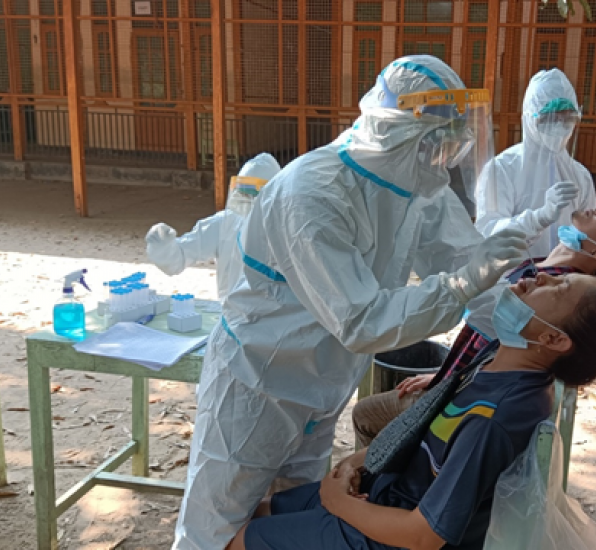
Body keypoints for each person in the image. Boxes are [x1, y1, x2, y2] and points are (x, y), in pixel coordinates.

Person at [173, 55, 531, 549]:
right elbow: (363, 320)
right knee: (215, 528)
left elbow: (463, 260)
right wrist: (463, 283)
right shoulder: (311, 193)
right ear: (396, 131)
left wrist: (523, 322)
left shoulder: (418, 184)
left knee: (289, 523)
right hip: (258, 383)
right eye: (435, 142)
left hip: (324, 385)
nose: (445, 158)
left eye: (452, 143)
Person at [226, 273, 596, 550]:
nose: (540, 277)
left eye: (557, 289)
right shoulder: (500, 360)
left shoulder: (494, 418)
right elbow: (421, 433)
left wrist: (338, 504)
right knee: (258, 509)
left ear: (554, 340)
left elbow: (425, 535)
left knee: (237, 540)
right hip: (384, 490)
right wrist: (358, 461)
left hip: (391, 535)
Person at [353, 205, 596, 447]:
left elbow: (507, 353)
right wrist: (445, 376)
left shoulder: (560, 300)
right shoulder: (547, 271)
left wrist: (449, 388)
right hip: (457, 382)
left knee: (366, 416)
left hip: (461, 400)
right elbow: (492, 337)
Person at [475, 68, 596, 258]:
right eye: (549, 118)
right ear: (530, 117)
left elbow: (591, 232)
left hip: (565, 275)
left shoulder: (580, 176)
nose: (559, 125)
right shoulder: (501, 169)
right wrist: (539, 218)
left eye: (567, 118)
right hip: (515, 274)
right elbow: (489, 233)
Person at [145, 153, 282, 301]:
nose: (248, 201)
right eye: (244, 194)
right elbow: (178, 259)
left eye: (254, 195)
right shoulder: (224, 224)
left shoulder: (286, 229)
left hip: (273, 313)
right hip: (232, 312)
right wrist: (162, 245)